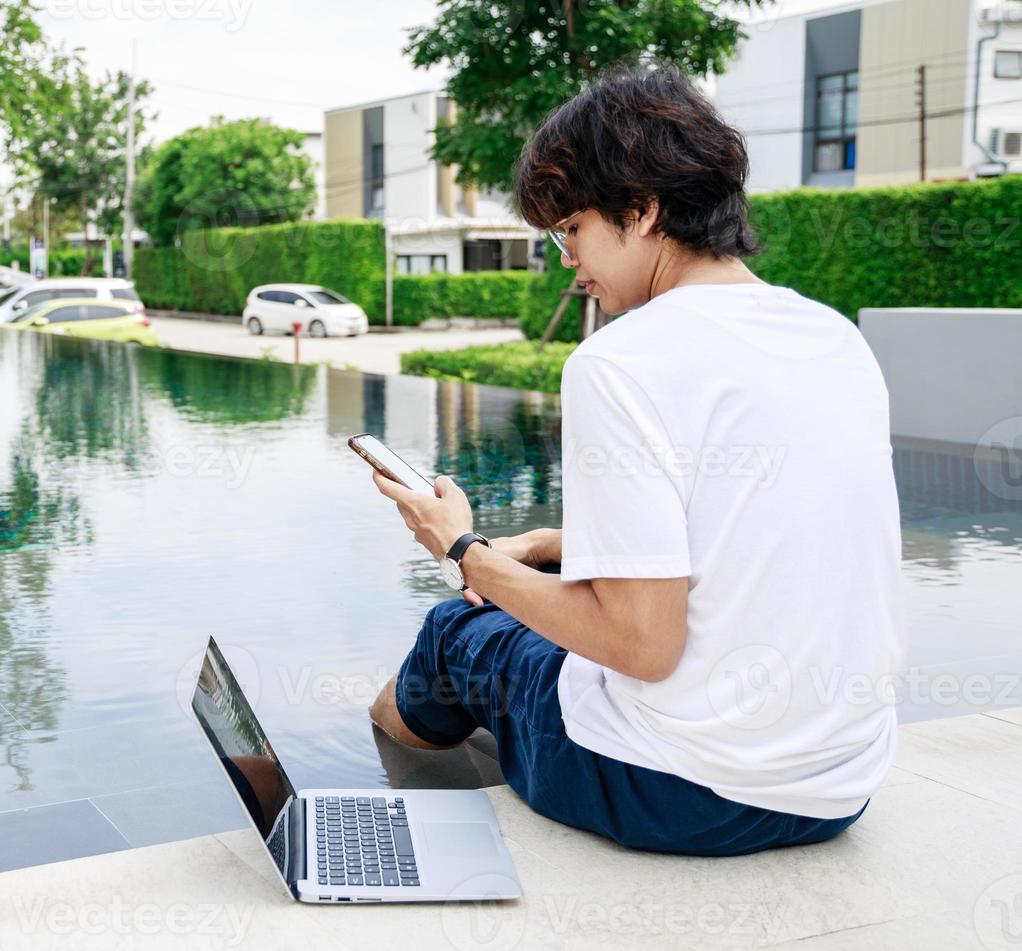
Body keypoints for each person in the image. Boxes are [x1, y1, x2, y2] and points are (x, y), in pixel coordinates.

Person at [367, 64, 902, 857]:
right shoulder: (835, 337)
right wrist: (550, 548)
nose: (566, 259)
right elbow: (750, 545)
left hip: (677, 794)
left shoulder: (620, 362)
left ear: (641, 210)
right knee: (521, 612)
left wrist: (463, 551)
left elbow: (642, 646)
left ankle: (382, 797)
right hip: (837, 788)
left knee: (455, 631)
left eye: (571, 229)